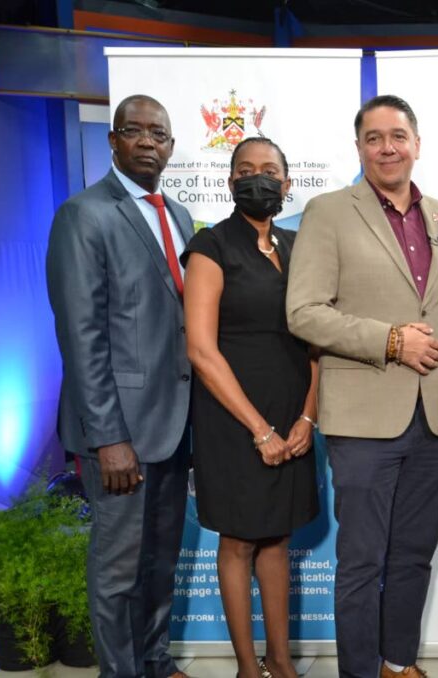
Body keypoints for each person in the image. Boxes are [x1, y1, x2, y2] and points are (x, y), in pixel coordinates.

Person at [285, 94, 438, 678]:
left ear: (417, 144)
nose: (387, 147)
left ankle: (399, 664)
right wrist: (392, 340)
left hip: (437, 418)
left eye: (397, 136)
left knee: (414, 555)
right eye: (374, 138)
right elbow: (304, 313)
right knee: (363, 562)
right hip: (363, 418)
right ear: (359, 148)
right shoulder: (327, 212)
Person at [46, 94, 193, 678]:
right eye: (134, 131)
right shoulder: (84, 214)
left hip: (172, 424)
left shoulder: (176, 216)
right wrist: (109, 437)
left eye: (158, 134)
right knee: (117, 569)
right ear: (113, 140)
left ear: (172, 146)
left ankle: (153, 661)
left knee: (160, 562)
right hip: (119, 433)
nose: (148, 142)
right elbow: (80, 336)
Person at [181, 137, 319, 678]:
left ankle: (281, 662)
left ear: (287, 184)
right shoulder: (211, 247)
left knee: (277, 537)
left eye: (268, 171)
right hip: (233, 420)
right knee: (238, 539)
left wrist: (307, 416)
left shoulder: (298, 247)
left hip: (294, 418)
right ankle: (246, 667)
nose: (256, 179)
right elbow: (200, 349)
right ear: (229, 182)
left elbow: (317, 341)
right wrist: (260, 430)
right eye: (245, 170)